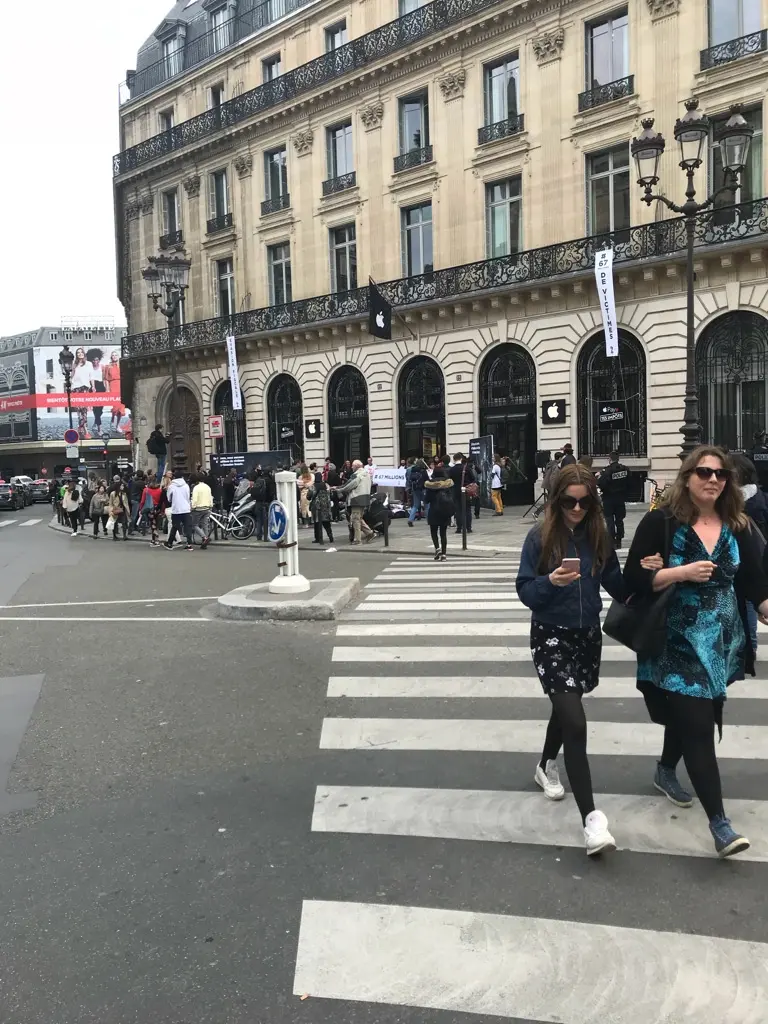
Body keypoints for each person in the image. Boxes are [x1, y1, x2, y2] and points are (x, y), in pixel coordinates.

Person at [624, 446, 768, 858]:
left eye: (720, 475)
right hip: (675, 636)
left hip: (720, 639)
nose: (713, 479)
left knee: (696, 714)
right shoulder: (661, 522)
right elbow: (634, 578)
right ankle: (720, 825)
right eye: (704, 472)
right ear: (687, 477)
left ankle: (666, 769)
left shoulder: (736, 525)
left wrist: (764, 607)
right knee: (700, 726)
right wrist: (679, 572)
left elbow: (753, 582)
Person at [516, 463, 661, 856]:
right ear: (556, 499)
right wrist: (550, 582)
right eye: (569, 501)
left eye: (584, 502)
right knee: (575, 722)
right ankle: (592, 822)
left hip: (586, 637)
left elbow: (616, 583)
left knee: (567, 708)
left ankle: (545, 763)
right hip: (550, 635)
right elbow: (525, 590)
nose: (577, 509)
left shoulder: (598, 537)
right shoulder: (540, 537)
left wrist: (647, 580)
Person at [732, 453, 768, 655]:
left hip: (742, 560)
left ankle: (747, 645)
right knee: (749, 603)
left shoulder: (733, 503)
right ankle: (750, 645)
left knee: (743, 602)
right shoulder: (761, 499)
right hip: (758, 560)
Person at [336, 459, 373, 544]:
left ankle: (357, 539)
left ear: (356, 467)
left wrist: (341, 490)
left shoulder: (357, 475)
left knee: (355, 519)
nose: (352, 467)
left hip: (356, 498)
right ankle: (369, 533)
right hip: (365, 498)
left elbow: (351, 485)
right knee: (358, 518)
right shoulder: (367, 474)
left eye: (353, 466)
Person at [598, 451, 630, 548]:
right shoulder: (625, 469)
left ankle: (612, 540)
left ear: (609, 459)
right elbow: (630, 482)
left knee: (609, 520)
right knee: (619, 520)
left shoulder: (606, 471)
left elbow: (601, 483)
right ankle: (619, 539)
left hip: (609, 498)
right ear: (618, 458)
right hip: (620, 498)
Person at [424, 465, 455, 559]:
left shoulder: (430, 485)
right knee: (443, 533)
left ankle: (437, 549)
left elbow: (427, 500)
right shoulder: (448, 483)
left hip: (434, 510)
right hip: (445, 510)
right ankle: (444, 554)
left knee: (433, 531)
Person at [164, 469, 194, 550]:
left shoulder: (171, 486)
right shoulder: (186, 485)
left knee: (175, 526)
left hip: (176, 509)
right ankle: (189, 544)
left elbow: (169, 498)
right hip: (186, 508)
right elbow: (188, 496)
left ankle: (169, 543)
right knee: (187, 527)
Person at [448, 453, 474, 535]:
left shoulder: (452, 469)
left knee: (458, 510)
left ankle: (459, 528)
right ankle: (468, 528)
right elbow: (473, 478)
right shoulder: (466, 468)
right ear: (461, 459)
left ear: (454, 459)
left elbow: (449, 481)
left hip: (456, 491)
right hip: (466, 490)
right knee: (467, 510)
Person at [139, 473, 164, 547]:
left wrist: (141, 509)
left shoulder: (146, 490)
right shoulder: (159, 490)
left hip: (149, 508)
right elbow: (161, 501)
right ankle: (154, 539)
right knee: (155, 523)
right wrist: (162, 510)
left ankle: (155, 539)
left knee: (152, 524)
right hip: (157, 508)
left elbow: (143, 501)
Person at [189, 473, 213, 549]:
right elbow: (210, 497)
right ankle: (205, 540)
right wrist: (210, 506)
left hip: (198, 509)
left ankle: (204, 538)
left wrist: (192, 507)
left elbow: (194, 500)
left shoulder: (196, 488)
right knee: (205, 525)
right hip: (207, 508)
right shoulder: (207, 487)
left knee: (194, 525)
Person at [309, 473, 334, 545]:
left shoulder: (312, 486)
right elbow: (331, 494)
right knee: (327, 523)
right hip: (326, 507)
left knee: (317, 523)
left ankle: (318, 538)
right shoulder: (326, 485)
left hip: (317, 507)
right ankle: (330, 536)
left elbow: (308, 496)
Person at [408, 458, 427, 526]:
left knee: (415, 505)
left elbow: (409, 479)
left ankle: (410, 519)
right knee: (427, 504)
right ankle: (429, 520)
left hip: (415, 489)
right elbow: (427, 480)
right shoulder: (423, 471)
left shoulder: (412, 470)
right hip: (423, 489)